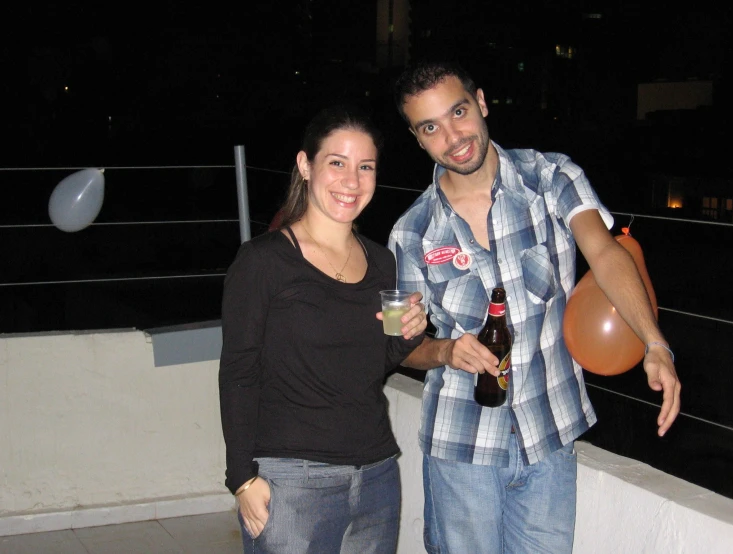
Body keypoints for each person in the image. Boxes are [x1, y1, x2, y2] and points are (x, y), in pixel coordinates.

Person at [388, 59, 681, 554]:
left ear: (481, 103)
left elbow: (606, 253)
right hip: (461, 447)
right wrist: (443, 352)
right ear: (418, 139)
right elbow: (398, 344)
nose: (453, 135)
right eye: (431, 127)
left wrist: (654, 342)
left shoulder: (551, 177)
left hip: (549, 435)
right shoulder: (409, 233)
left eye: (458, 111)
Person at [218, 104, 428, 554]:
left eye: (365, 167)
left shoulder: (381, 261)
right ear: (305, 165)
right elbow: (238, 371)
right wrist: (241, 479)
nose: (352, 181)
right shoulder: (264, 261)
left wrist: (409, 331)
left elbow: (375, 362)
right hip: (291, 481)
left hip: (375, 476)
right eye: (337, 163)